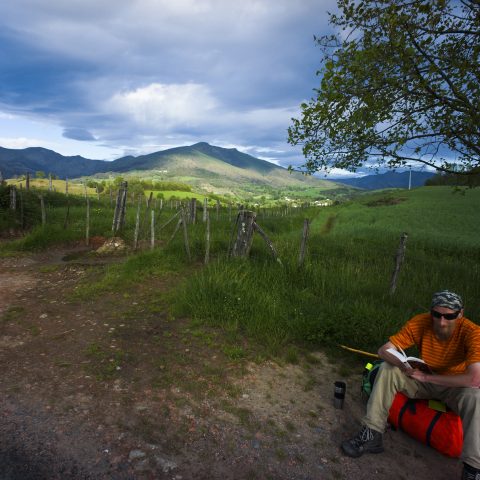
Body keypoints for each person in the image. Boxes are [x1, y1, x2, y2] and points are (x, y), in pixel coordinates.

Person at [341, 290, 480, 480]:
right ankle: (372, 433)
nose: (441, 321)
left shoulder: (472, 332)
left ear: (461, 314)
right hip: (425, 378)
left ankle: (473, 469)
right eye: (437, 314)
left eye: (449, 316)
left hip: (454, 386)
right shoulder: (421, 322)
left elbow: (474, 379)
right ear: (431, 311)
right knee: (387, 369)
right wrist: (403, 365)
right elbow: (384, 350)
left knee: (475, 396)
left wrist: (427, 378)